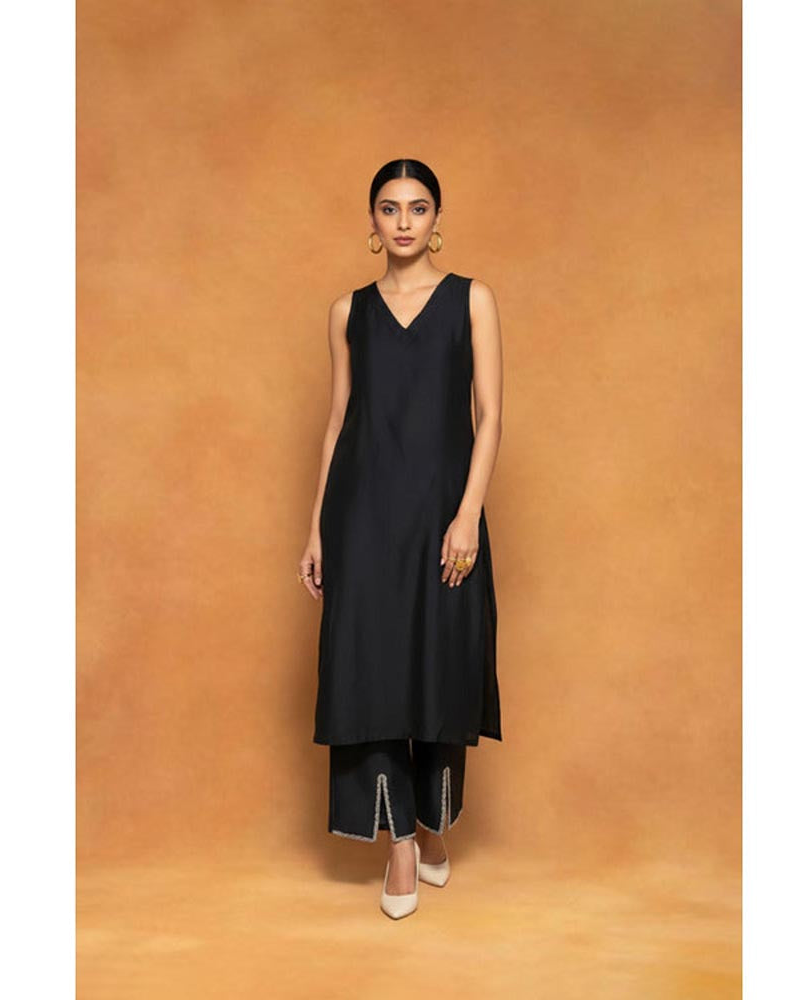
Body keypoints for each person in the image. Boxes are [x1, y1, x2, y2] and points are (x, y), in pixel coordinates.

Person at [298, 158, 504, 919]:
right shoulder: (346, 311)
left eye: (418, 207)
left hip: (444, 516)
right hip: (363, 518)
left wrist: (468, 514)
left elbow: (491, 415)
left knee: (437, 669)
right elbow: (336, 423)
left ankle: (432, 818)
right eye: (390, 208)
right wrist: (317, 528)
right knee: (372, 674)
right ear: (373, 222)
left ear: (436, 218)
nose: (404, 221)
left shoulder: (472, 299)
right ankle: (402, 845)